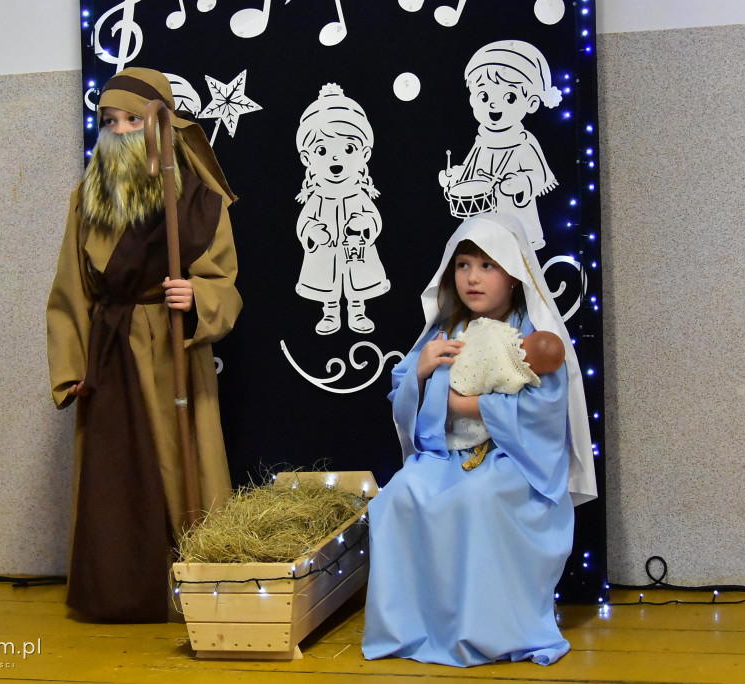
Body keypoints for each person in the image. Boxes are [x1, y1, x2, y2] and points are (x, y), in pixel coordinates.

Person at [46, 68, 241, 623]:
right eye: (110, 121)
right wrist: (70, 367)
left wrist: (196, 296)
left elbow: (223, 282)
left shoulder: (198, 199)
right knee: (116, 472)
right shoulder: (87, 197)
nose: (121, 130)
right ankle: (123, 587)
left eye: (134, 119)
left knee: (182, 466)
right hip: (110, 354)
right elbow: (70, 289)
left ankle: (199, 584)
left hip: (172, 349)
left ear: (162, 125)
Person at [362, 213, 597, 666]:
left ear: (513, 275)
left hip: (510, 460)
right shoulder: (446, 330)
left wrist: (462, 405)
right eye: (464, 265)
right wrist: (424, 368)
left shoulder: (533, 337)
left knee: (476, 500)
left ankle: (481, 631)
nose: (472, 278)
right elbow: (401, 388)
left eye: (487, 266)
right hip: (444, 455)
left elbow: (543, 411)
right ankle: (415, 628)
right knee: (396, 499)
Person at [438, 40, 561, 249]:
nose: (493, 104)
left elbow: (539, 177)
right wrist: (455, 176)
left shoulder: (524, 143)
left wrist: (520, 183)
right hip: (485, 225)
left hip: (516, 221)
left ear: (531, 103)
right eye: (484, 96)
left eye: (510, 97)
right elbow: (470, 172)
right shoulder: (481, 142)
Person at [295, 83, 389, 335]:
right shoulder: (317, 197)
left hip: (355, 250)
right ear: (307, 159)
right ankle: (330, 312)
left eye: (347, 149)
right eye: (323, 151)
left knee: (356, 283)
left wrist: (365, 224)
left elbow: (374, 218)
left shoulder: (358, 195)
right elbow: (304, 221)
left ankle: (358, 311)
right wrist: (312, 231)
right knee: (329, 285)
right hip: (326, 253)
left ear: (364, 153)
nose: (335, 159)